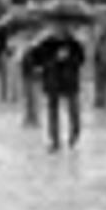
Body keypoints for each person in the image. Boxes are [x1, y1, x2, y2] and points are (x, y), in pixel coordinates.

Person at [29, 24, 86, 153]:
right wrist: (54, 58)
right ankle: (54, 140)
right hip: (52, 81)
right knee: (52, 111)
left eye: (63, 27)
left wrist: (69, 58)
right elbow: (36, 60)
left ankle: (74, 135)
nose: (60, 30)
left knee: (74, 110)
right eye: (57, 27)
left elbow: (81, 60)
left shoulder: (74, 43)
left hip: (70, 81)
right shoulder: (46, 42)